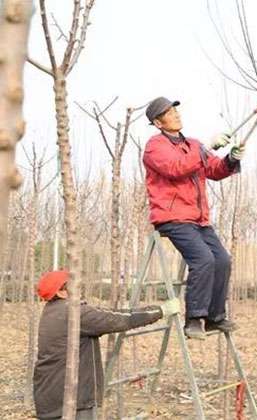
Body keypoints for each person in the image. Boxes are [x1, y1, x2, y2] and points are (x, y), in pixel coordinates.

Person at [142, 97, 243, 339]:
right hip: (173, 218)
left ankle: (214, 317)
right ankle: (194, 319)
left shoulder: (192, 145)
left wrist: (231, 159)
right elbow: (175, 168)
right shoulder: (155, 146)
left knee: (223, 260)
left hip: (198, 220)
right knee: (203, 260)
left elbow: (214, 170)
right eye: (168, 112)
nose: (176, 114)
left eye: (175, 110)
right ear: (158, 122)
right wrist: (206, 146)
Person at [33, 270, 180, 419]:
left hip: (50, 394)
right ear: (61, 292)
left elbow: (103, 315)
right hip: (70, 399)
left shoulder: (52, 310)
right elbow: (116, 319)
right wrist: (160, 311)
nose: (79, 287)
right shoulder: (73, 313)